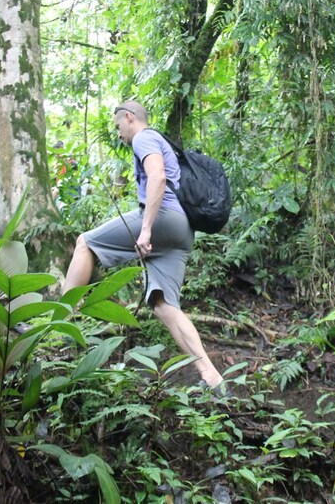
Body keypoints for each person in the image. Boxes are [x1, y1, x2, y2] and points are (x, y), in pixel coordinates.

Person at [63, 101, 226, 390]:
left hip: (164, 218)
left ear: (129, 118)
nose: (119, 134)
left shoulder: (144, 137)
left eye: (118, 127)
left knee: (85, 243)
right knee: (164, 305)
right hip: (183, 231)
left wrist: (147, 229)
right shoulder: (160, 139)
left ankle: (60, 323)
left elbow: (158, 176)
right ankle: (212, 377)